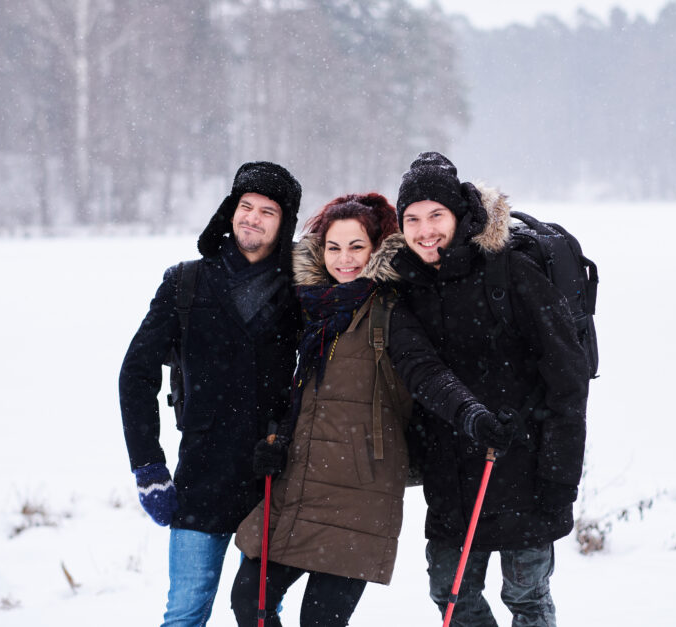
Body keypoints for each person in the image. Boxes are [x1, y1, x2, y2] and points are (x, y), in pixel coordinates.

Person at [387, 152, 591, 627]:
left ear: (459, 214)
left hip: (526, 470)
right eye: (412, 219)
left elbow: (568, 377)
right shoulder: (406, 284)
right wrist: (466, 418)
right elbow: (420, 370)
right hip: (451, 475)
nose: (425, 230)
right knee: (451, 594)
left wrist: (561, 477)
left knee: (527, 597)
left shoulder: (510, 271)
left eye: (436, 215)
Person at [119, 161, 302, 627]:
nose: (252, 218)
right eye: (245, 206)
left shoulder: (302, 290)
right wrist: (148, 466)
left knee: (260, 614)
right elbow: (136, 373)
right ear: (230, 210)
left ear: (284, 226)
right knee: (184, 614)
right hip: (200, 481)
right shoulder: (186, 282)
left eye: (267, 211)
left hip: (270, 483)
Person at [229, 193, 414, 627]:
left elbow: (426, 376)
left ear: (376, 249)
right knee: (249, 602)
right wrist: (275, 437)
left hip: (358, 493)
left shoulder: (394, 310)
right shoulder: (309, 307)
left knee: (319, 621)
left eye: (356, 247)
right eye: (334, 247)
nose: (344, 259)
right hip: (298, 482)